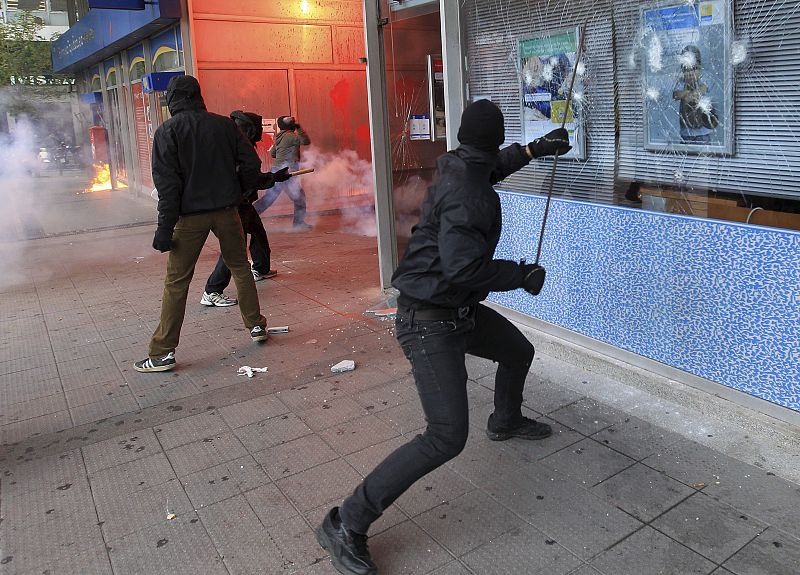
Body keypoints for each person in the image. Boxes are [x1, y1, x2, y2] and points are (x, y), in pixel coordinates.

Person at [314, 99, 571, 575]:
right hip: (429, 320)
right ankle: (346, 521)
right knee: (446, 435)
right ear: (492, 140)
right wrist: (522, 275)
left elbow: (490, 166)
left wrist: (536, 148)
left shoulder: (458, 163)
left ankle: (506, 420)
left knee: (519, 351)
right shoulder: (471, 192)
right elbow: (463, 268)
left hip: (456, 309)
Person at [134, 75, 269, 373]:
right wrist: (241, 191)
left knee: (177, 282)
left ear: (172, 100)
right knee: (241, 268)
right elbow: (251, 165)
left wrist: (164, 230)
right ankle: (256, 326)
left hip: (189, 217)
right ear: (198, 96)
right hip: (227, 211)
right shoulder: (225, 126)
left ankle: (162, 353)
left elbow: (168, 187)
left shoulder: (167, 132)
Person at [201, 110, 292, 308]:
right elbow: (251, 178)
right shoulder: (239, 148)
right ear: (250, 130)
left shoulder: (231, 144)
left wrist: (272, 177)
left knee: (258, 234)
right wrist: (275, 177)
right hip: (234, 205)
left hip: (240, 202)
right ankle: (212, 290)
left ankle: (260, 268)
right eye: (258, 129)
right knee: (234, 249)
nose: (261, 132)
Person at [253, 115, 311, 230]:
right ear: (291, 126)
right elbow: (306, 141)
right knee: (299, 198)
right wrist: (299, 128)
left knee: (268, 199)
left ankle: (248, 217)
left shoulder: (279, 138)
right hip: (287, 171)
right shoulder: (291, 136)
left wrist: (283, 154)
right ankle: (298, 223)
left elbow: (273, 153)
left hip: (277, 170)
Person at [673, 45, 717, 145]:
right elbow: (675, 95)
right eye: (686, 70)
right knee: (686, 155)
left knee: (703, 154)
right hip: (686, 131)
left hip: (703, 132)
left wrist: (692, 93)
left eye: (694, 68)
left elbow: (703, 89)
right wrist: (685, 93)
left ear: (700, 68)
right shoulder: (681, 83)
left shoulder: (704, 80)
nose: (690, 73)